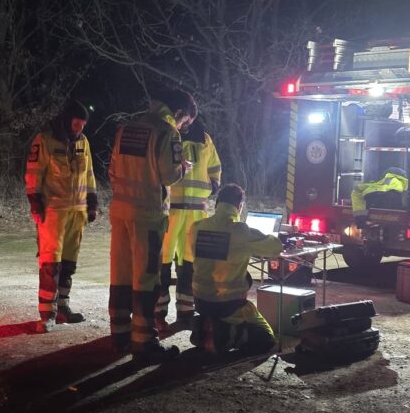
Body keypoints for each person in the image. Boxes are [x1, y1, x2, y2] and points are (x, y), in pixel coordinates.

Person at [108, 89, 196, 362]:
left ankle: (120, 333)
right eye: (185, 122)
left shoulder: (127, 129)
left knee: (120, 273)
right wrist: (183, 167)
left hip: (120, 211)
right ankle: (144, 341)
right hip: (147, 215)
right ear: (179, 113)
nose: (182, 127)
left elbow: (112, 169)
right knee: (146, 277)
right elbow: (169, 175)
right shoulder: (167, 133)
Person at [25, 100, 98, 330]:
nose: (80, 129)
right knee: (50, 262)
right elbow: (33, 173)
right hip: (53, 212)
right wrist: (35, 203)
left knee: (68, 263)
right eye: (77, 123)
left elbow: (89, 175)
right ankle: (47, 314)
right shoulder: (45, 139)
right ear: (67, 120)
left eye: (83, 125)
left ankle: (63, 307)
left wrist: (92, 203)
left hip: (77, 212)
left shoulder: (83, 142)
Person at [189, 183, 284, 356]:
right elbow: (276, 247)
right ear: (239, 207)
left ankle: (205, 326)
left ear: (217, 204)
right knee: (267, 338)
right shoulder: (241, 231)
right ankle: (226, 334)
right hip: (229, 305)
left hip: (200, 301)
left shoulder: (197, 227)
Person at [156, 118, 222, 327]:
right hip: (171, 209)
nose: (185, 122)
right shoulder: (167, 136)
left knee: (189, 263)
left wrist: (213, 185)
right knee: (162, 261)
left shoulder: (205, 140)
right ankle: (158, 310)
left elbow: (215, 166)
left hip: (195, 213)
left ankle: (185, 311)